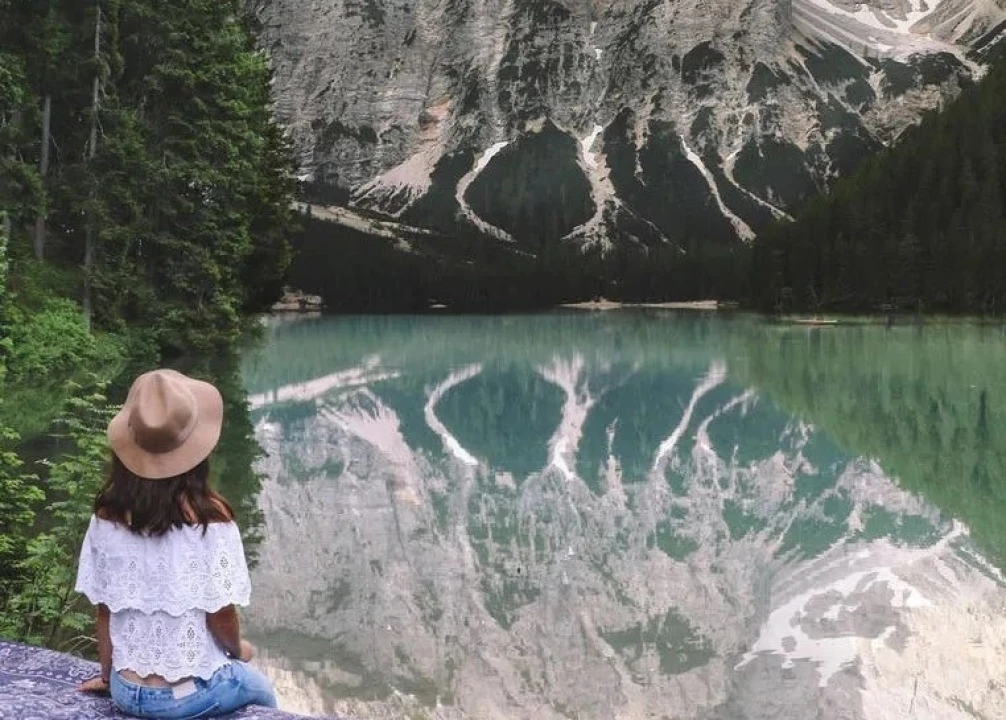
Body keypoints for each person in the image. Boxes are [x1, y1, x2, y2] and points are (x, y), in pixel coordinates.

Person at [74, 369, 278, 718]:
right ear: (196, 455)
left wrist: (108, 678)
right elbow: (221, 614)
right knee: (260, 689)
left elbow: (105, 611)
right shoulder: (211, 523)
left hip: (125, 690)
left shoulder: (106, 517)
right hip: (188, 696)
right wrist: (237, 650)